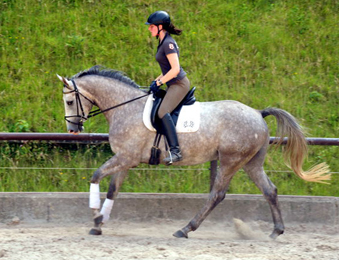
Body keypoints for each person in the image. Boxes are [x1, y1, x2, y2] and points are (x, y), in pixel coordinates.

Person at [146, 10, 191, 165]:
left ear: (160, 27)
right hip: (172, 82)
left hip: (179, 84)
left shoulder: (168, 43)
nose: (149, 29)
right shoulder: (163, 41)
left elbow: (175, 69)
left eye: (151, 27)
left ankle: (175, 151)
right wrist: (156, 80)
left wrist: (159, 83)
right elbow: (167, 69)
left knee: (162, 111)